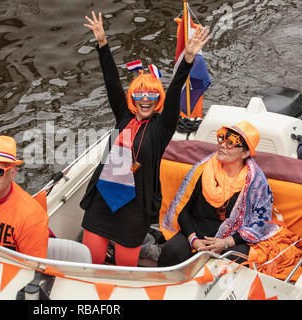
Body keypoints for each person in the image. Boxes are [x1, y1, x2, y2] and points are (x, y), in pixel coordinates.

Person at [79, 11, 210, 266]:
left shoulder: (162, 127)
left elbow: (174, 92)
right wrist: (103, 44)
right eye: (140, 95)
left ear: (158, 99)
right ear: (132, 99)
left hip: (135, 207)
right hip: (102, 199)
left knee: (125, 269)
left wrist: (188, 58)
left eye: (151, 95)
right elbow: (111, 82)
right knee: (89, 262)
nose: (145, 100)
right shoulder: (123, 116)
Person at [159, 121, 280, 267]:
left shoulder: (256, 182)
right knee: (171, 251)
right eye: (222, 138)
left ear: (246, 153)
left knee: (237, 260)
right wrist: (194, 240)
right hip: (196, 233)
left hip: (231, 239)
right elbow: (182, 208)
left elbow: (261, 223)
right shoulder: (202, 170)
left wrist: (226, 243)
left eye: (231, 143)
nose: (222, 145)